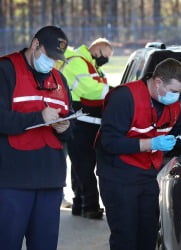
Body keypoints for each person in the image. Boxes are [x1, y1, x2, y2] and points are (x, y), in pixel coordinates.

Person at [96, 58, 181, 250]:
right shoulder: (125, 97)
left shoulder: (173, 103)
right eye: (174, 91)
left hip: (147, 174)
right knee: (125, 236)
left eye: (180, 92)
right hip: (118, 176)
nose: (176, 97)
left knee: (148, 234)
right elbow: (109, 142)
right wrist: (150, 143)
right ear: (158, 82)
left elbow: (179, 131)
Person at [0, 25, 74, 250]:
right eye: (49, 56)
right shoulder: (5, 70)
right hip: (13, 181)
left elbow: (73, 127)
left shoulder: (59, 79)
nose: (52, 62)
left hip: (51, 180)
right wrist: (37, 117)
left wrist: (65, 128)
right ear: (35, 44)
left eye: (57, 59)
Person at [59, 38, 113, 219]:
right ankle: (89, 206)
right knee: (85, 165)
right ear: (96, 50)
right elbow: (90, 90)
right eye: (105, 56)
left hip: (87, 123)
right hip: (80, 122)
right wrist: (114, 92)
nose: (105, 60)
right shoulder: (78, 63)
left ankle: (80, 204)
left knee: (80, 164)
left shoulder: (91, 65)